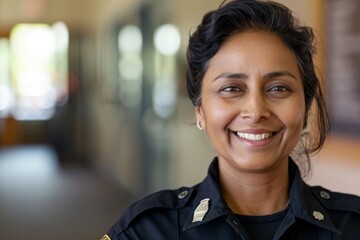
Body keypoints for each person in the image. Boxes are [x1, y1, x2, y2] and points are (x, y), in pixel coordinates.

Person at [101, 0, 360, 239]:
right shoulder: (147, 231)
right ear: (200, 110)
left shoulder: (352, 226)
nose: (256, 110)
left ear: (305, 107)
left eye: (279, 88)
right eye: (231, 88)